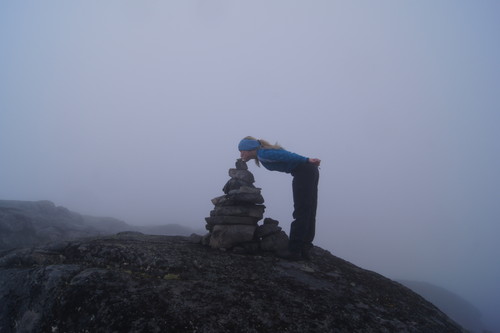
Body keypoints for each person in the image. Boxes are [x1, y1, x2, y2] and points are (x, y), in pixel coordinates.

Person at [238, 136, 321, 260]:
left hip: (304, 172)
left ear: (249, 148)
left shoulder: (263, 154)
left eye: (241, 150)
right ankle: (305, 248)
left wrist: (307, 160)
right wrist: (307, 162)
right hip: (309, 171)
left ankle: (294, 250)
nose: (240, 154)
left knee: (302, 210)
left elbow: (287, 155)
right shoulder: (263, 154)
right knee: (309, 210)